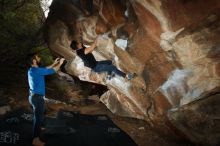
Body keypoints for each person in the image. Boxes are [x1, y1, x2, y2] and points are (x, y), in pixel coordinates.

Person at [27, 53, 65, 146]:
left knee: (42, 111)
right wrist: (60, 63)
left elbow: (46, 68)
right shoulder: (36, 70)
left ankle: (41, 127)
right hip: (37, 98)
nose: (39, 57)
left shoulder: (33, 70)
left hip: (35, 96)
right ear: (34, 60)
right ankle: (35, 140)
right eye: (37, 57)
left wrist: (54, 63)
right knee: (38, 117)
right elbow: (53, 70)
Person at [70, 39, 135, 80]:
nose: (79, 42)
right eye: (78, 42)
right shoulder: (80, 52)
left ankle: (109, 75)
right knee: (112, 67)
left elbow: (90, 50)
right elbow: (91, 47)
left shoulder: (81, 48)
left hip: (96, 63)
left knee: (109, 62)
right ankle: (126, 76)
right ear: (77, 46)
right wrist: (96, 39)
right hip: (95, 67)